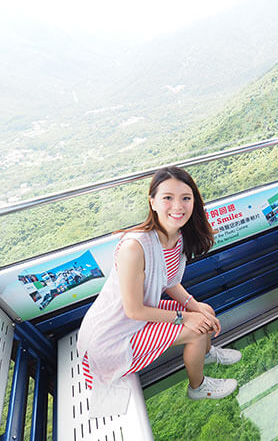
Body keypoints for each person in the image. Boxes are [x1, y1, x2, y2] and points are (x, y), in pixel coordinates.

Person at [77, 166, 241, 409]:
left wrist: (195, 307)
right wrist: (185, 317)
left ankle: (205, 355)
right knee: (196, 330)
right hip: (115, 332)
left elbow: (170, 281)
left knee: (204, 311)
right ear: (152, 202)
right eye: (168, 198)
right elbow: (133, 311)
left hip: (141, 314)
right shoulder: (135, 247)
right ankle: (198, 387)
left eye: (186, 198)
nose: (178, 206)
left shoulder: (176, 237)